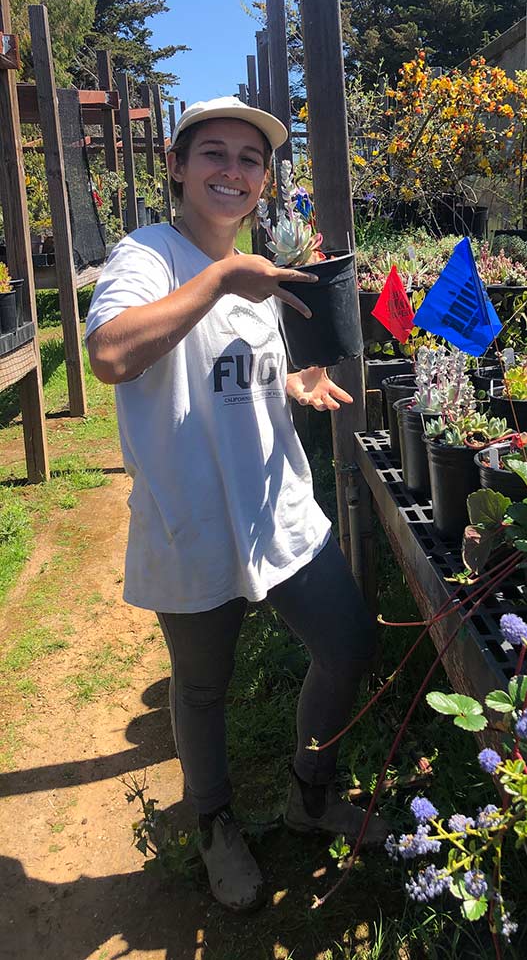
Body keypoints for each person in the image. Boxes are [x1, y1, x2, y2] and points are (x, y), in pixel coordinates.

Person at [85, 97, 387, 913]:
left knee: (348, 643)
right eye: (213, 152)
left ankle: (309, 792)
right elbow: (110, 353)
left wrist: (290, 383)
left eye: (250, 159)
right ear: (178, 168)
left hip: (276, 505)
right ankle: (216, 824)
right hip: (194, 517)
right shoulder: (150, 255)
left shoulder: (258, 273)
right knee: (202, 687)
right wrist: (220, 278)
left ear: (263, 181)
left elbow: (231, 378)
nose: (233, 169)